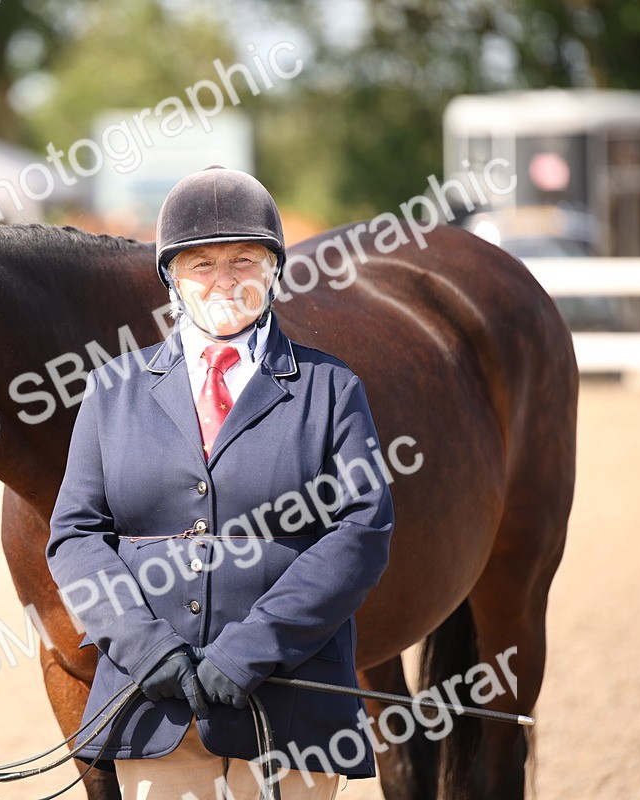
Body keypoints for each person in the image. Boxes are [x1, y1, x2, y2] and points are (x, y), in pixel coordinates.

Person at [47, 166, 394, 800]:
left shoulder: (333, 389)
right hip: (154, 705)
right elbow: (74, 535)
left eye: (244, 260)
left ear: (275, 270)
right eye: (201, 263)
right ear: (171, 278)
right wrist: (145, 647)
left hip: (290, 709)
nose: (224, 279)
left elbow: (361, 534)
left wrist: (252, 650)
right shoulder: (110, 390)